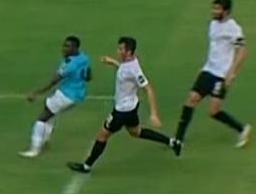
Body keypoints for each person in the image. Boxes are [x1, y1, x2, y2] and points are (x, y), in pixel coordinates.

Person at [67, 37, 177, 174]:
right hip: (131, 107)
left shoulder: (134, 70)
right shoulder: (129, 62)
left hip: (122, 111)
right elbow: (125, 70)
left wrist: (154, 114)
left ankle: (86, 166)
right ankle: (171, 142)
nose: (118, 51)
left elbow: (148, 89)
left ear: (128, 52)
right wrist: (113, 62)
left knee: (102, 135)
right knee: (136, 132)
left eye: (121, 49)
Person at [172, 0, 251, 153]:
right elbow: (215, 49)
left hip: (221, 75)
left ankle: (242, 129)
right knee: (191, 100)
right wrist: (203, 68)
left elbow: (242, 51)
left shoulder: (233, 28)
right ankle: (178, 139)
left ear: (226, 11)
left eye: (217, 9)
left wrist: (231, 72)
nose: (214, 11)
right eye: (213, 8)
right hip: (208, 70)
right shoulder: (213, 24)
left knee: (213, 111)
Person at [21, 35, 92, 158]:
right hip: (77, 96)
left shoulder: (69, 64)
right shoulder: (84, 57)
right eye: (64, 45)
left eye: (68, 46)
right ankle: (45, 140)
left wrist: (36, 92)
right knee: (51, 114)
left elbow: (54, 80)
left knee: (42, 119)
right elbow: (88, 76)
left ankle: (34, 149)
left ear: (75, 48)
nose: (64, 49)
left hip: (65, 95)